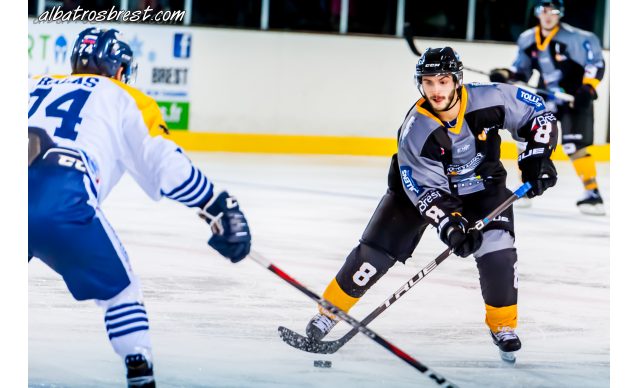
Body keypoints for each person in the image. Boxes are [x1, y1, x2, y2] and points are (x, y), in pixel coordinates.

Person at [28, 28, 251, 387]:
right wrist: (216, 204)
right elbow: (165, 165)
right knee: (121, 293)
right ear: (117, 67)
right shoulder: (124, 96)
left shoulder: (31, 83)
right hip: (61, 194)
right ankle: (140, 371)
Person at [305, 47, 558, 360]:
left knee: (499, 253)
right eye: (428, 82)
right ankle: (329, 312)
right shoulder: (417, 129)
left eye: (442, 81)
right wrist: (450, 224)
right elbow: (425, 189)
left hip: (482, 186)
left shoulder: (490, 98)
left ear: (456, 81)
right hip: (416, 193)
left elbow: (538, 115)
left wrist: (536, 157)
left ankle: (502, 325)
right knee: (373, 254)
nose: (436, 90)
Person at [489, 0, 606, 215]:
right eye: (544, 10)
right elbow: (521, 72)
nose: (548, 15)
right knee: (528, 139)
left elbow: (595, 64)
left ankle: (592, 193)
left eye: (553, 10)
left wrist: (588, 89)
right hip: (546, 97)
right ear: (537, 13)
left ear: (560, 13)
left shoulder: (578, 38)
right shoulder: (527, 38)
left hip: (574, 97)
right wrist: (506, 75)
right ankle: (526, 186)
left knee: (574, 146)